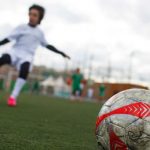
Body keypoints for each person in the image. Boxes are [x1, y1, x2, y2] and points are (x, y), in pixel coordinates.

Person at [0, 4, 70, 106]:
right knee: (4, 59)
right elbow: (8, 39)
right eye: (30, 14)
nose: (31, 17)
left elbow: (47, 45)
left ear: (39, 18)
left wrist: (61, 53)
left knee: (25, 69)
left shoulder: (39, 33)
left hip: (27, 56)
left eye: (35, 15)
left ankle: (13, 97)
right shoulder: (21, 27)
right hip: (15, 52)